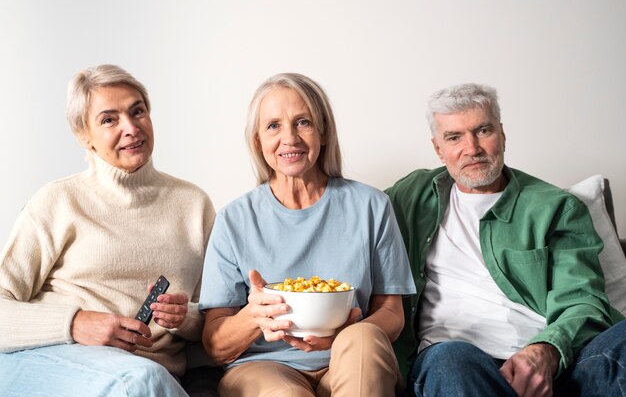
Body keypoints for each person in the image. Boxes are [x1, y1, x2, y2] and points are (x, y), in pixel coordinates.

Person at [385, 83, 626, 397]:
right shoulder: (411, 196)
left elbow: (582, 299)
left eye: (483, 130)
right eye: (454, 137)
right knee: (450, 359)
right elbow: (347, 219)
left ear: (502, 133)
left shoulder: (554, 206)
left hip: (557, 365)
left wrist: (545, 350)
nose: (472, 149)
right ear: (437, 148)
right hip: (459, 364)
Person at [0, 64, 215, 397]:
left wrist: (184, 318)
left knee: (143, 379)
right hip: (60, 361)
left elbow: (216, 316)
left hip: (149, 374)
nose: (131, 128)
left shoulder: (194, 205)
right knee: (139, 381)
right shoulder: (59, 201)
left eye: (137, 111)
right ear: (83, 135)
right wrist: (74, 323)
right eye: (109, 119)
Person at [199, 72, 416, 397]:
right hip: (264, 367)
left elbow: (392, 313)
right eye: (273, 126)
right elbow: (215, 346)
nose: (290, 138)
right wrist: (254, 316)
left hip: (351, 358)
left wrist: (346, 333)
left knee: (363, 339)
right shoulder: (234, 219)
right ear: (258, 141)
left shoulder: (372, 205)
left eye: (303, 122)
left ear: (323, 132)